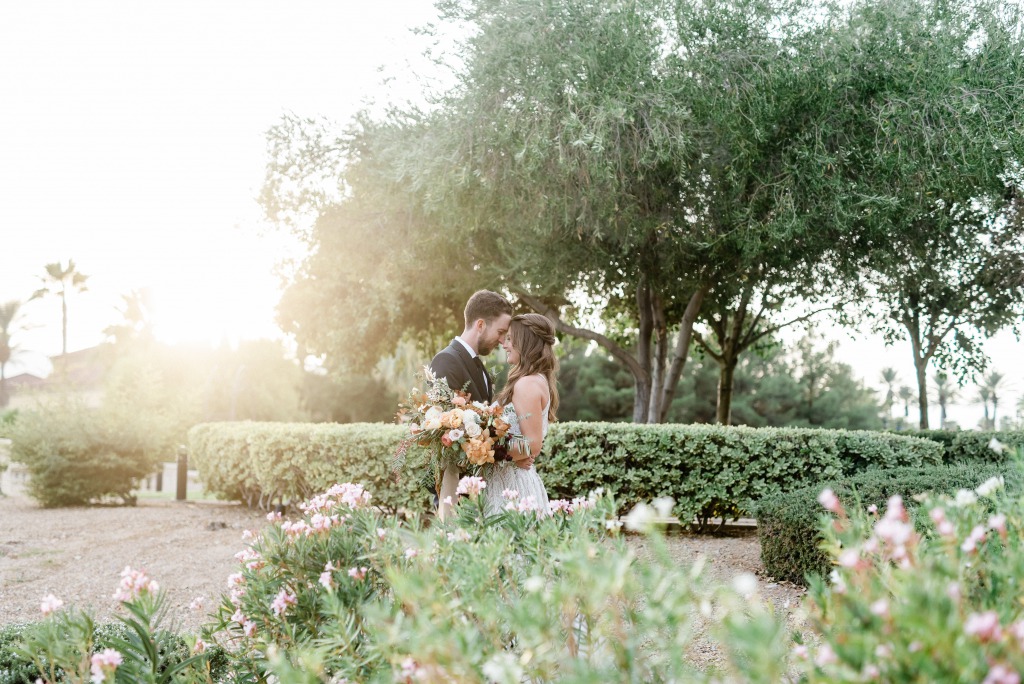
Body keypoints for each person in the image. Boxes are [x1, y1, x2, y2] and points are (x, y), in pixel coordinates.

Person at [430, 290, 513, 518]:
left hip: (476, 485)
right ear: (480, 324)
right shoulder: (446, 360)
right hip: (455, 484)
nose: (502, 340)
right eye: (500, 332)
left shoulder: (480, 367)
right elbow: (443, 430)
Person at [481, 313, 558, 516]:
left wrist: (484, 449)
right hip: (509, 479)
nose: (504, 345)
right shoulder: (535, 379)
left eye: (510, 339)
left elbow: (532, 444)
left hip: (512, 486)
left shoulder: (527, 384)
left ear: (524, 342)